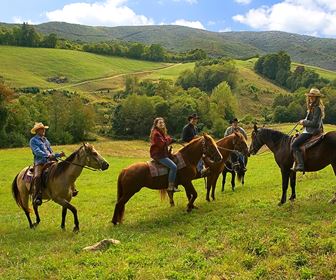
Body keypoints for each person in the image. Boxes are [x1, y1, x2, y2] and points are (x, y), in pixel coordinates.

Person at [29, 122, 77, 206]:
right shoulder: (33, 140)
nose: (44, 130)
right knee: (37, 176)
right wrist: (48, 155)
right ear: (37, 131)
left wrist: (58, 155)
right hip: (40, 163)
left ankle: (71, 189)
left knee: (64, 170)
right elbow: (37, 151)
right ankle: (38, 195)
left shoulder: (45, 140)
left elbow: (51, 151)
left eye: (44, 129)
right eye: (42, 129)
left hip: (50, 161)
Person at [291, 88, 324, 172]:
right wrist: (303, 122)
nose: (311, 98)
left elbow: (315, 123)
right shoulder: (312, 106)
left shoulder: (317, 108)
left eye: (313, 97)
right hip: (308, 129)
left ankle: (301, 165)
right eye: (310, 96)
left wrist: (304, 122)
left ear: (317, 98)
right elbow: (310, 119)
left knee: (294, 145)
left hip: (311, 131)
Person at [150, 117, 180, 192]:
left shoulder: (160, 132)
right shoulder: (156, 133)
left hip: (163, 154)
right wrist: (171, 140)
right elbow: (162, 144)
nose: (162, 124)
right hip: (159, 155)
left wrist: (170, 139)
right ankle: (170, 186)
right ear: (156, 124)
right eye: (160, 123)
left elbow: (166, 139)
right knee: (174, 167)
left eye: (162, 122)